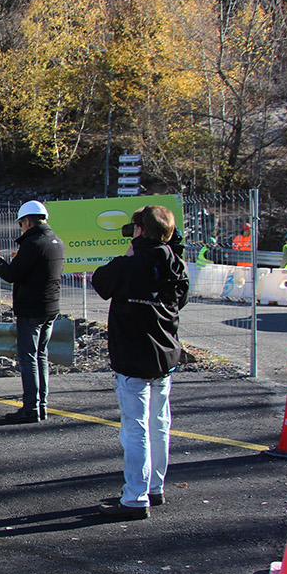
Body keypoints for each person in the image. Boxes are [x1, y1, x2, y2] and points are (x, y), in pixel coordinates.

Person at [91, 205, 189, 520]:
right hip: (164, 355)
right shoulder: (177, 266)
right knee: (159, 423)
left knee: (135, 429)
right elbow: (181, 299)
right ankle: (154, 487)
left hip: (132, 356)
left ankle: (135, 496)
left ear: (140, 231)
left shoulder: (128, 266)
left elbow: (101, 282)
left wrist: (133, 256)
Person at [0, 200, 65, 423]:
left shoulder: (32, 244)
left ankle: (31, 408)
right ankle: (41, 405)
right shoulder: (56, 241)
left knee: (29, 358)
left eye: (21, 224)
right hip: (50, 307)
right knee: (41, 356)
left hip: (32, 309)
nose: (21, 228)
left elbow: (12, 274)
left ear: (28, 222)